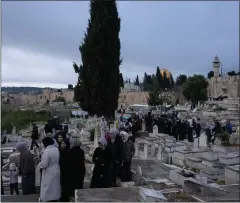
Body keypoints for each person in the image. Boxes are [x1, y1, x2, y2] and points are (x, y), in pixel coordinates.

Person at [38, 137, 61, 202]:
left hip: (49, 171)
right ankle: (55, 198)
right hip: (56, 169)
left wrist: (39, 164)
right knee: (55, 186)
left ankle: (48, 199)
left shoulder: (47, 151)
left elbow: (44, 164)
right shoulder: (56, 149)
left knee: (48, 187)